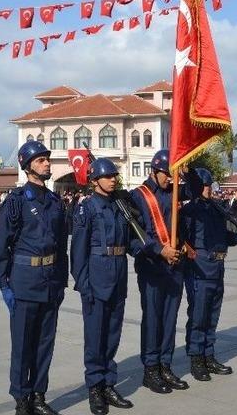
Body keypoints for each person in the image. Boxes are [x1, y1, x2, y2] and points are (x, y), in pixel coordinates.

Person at [0, 140, 68, 415]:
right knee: (23, 345)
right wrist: (4, 284)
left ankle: (38, 394)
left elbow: (61, 246)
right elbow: (2, 247)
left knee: (45, 343)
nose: (47, 163)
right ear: (27, 167)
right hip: (24, 283)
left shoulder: (55, 202)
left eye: (47, 159)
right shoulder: (15, 203)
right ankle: (21, 398)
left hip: (50, 281)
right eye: (40, 160)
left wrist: (61, 282)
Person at [128, 149, 201, 395]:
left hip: (175, 265)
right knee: (153, 318)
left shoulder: (176, 191)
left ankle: (165, 365)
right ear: (154, 171)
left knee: (170, 318)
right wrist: (160, 250)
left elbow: (197, 190)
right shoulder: (138, 196)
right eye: (167, 173)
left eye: (173, 173)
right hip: (152, 265)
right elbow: (134, 237)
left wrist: (186, 169)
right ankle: (151, 369)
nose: (170, 178)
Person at [70, 158, 134, 415]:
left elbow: (130, 242)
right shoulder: (87, 208)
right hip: (96, 278)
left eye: (114, 176)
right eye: (108, 176)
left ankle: (109, 383)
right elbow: (78, 251)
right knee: (95, 337)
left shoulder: (119, 205)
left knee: (112, 335)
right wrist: (84, 284)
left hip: (118, 276)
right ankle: (95, 387)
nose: (113, 180)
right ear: (95, 180)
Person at [181, 168, 237, 383]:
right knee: (199, 316)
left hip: (217, 265)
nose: (210, 188)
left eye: (211, 184)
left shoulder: (215, 208)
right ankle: (196, 359)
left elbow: (222, 236)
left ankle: (209, 355)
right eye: (206, 184)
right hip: (199, 267)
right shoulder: (190, 211)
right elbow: (182, 239)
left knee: (212, 315)